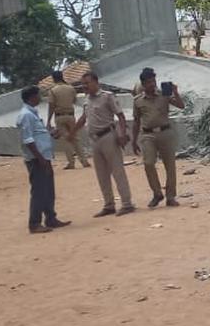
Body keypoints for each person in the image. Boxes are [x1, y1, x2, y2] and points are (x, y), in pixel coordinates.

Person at [75, 72, 135, 217]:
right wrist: (72, 132)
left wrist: (122, 134)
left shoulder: (107, 96)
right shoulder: (86, 100)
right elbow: (84, 118)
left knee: (117, 171)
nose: (84, 86)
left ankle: (127, 203)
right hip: (94, 140)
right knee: (101, 174)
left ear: (96, 82)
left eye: (87, 83)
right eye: (82, 84)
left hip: (108, 136)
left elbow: (120, 116)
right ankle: (109, 205)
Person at [16, 85, 71, 234]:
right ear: (32, 97)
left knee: (48, 189)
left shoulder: (32, 114)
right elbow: (27, 139)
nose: (40, 98)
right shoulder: (26, 115)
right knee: (39, 190)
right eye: (38, 95)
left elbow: (37, 135)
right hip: (37, 158)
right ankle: (34, 223)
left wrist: (51, 134)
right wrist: (39, 158)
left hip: (43, 157)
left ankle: (51, 218)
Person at [132, 68, 184, 208]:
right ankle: (157, 193)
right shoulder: (138, 101)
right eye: (148, 82)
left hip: (165, 132)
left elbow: (181, 106)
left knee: (170, 166)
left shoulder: (164, 95)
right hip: (147, 134)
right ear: (143, 84)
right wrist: (133, 140)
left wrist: (175, 92)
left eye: (153, 81)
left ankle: (170, 196)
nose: (152, 84)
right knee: (148, 163)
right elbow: (136, 121)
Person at [47, 70, 90, 170]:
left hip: (59, 116)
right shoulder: (71, 88)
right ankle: (84, 161)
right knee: (75, 137)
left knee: (66, 140)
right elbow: (74, 100)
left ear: (53, 78)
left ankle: (71, 162)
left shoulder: (53, 90)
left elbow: (51, 106)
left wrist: (49, 120)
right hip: (71, 115)